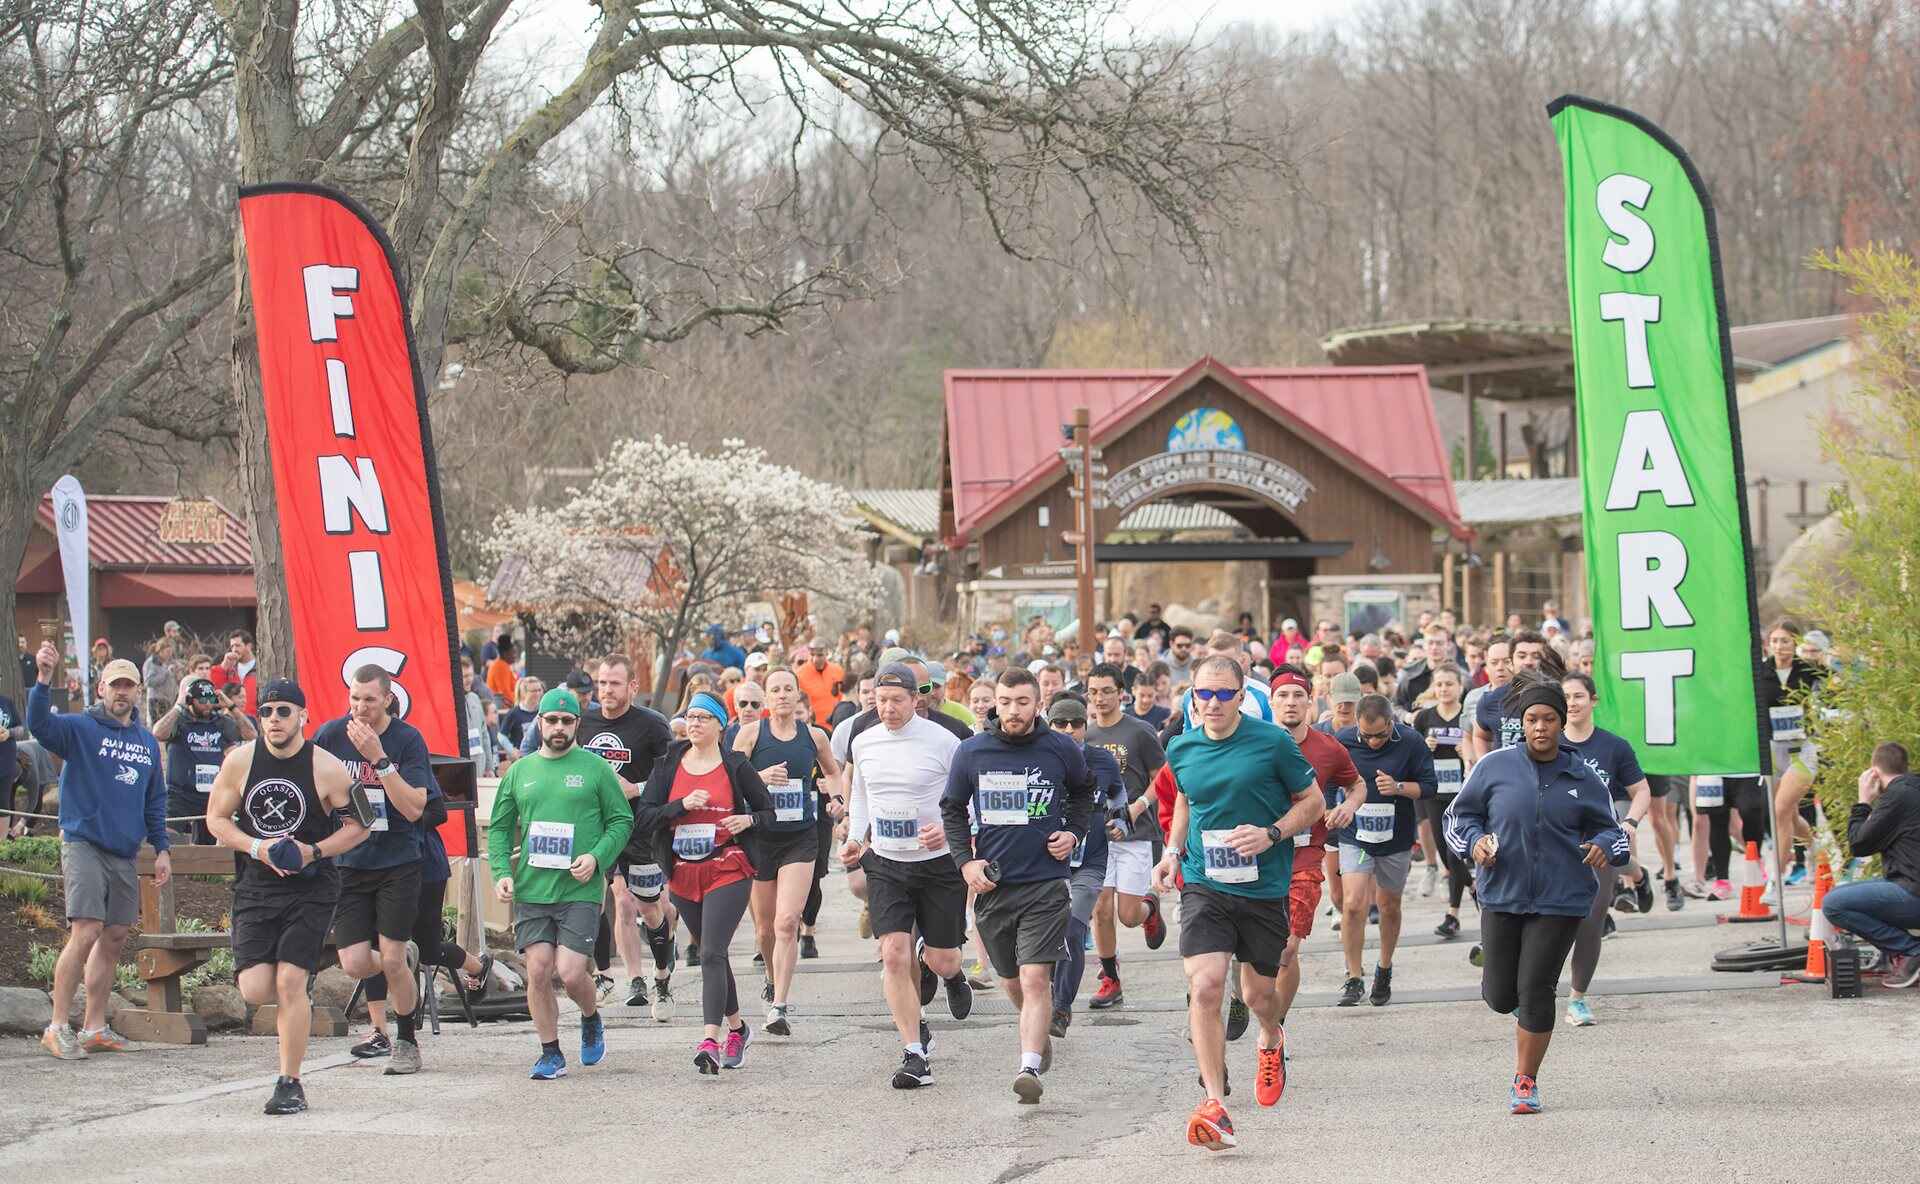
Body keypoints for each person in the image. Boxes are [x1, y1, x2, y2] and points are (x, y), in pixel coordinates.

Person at [1152, 655, 1322, 1150]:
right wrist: (1171, 852)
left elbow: (1311, 803)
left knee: (1257, 998)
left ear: (1242, 696)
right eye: (1204, 693)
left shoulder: (1272, 743)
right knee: (1205, 985)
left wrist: (1272, 834)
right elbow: (1185, 799)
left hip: (1264, 886)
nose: (1213, 702)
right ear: (1193, 695)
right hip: (1205, 883)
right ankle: (1213, 1101)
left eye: (1224, 693)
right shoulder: (1182, 747)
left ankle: (1271, 1037)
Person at [1443, 672, 1628, 1114]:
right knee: (1501, 996)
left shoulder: (1582, 776)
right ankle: (1504, 979)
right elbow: (1458, 817)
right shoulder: (1494, 767)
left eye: (1549, 719)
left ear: (1561, 724)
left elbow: (1614, 833)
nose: (1540, 727)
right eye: (1532, 719)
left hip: (1561, 899)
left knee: (1536, 988)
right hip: (1502, 894)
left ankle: (1525, 1081)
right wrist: (1475, 843)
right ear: (1522, 724)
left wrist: (1603, 845)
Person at [205, 678, 367, 1113]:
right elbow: (216, 819)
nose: (274, 719)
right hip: (256, 886)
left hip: (311, 888)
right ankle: (289, 1017)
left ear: (302, 716)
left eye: (283, 711)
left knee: (291, 982)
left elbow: (361, 824)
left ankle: (289, 1082)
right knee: (257, 989)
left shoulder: (328, 767)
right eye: (267, 711)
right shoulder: (240, 761)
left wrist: (312, 851)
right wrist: (257, 847)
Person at [943, 665, 1094, 1104]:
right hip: (994, 885)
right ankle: (1036, 1031)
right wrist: (965, 863)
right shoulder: (972, 752)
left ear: (1037, 704)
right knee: (1012, 981)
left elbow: (1085, 792)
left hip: (1046, 883)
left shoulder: (1060, 748)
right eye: (1005, 702)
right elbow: (952, 808)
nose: (1013, 711)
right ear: (995, 703)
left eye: (1022, 702)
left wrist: (1073, 832)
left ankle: (1028, 1066)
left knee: (1034, 978)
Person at [27, 645, 171, 1060]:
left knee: (114, 936)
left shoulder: (146, 742)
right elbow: (39, 724)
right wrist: (43, 678)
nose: (122, 692)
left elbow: (155, 801)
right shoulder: (80, 729)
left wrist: (162, 848)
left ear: (139, 692)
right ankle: (56, 1026)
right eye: (115, 685)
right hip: (83, 842)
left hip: (124, 852)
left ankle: (94, 1027)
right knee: (87, 929)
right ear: (102, 688)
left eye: (129, 685)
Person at [488, 686, 633, 1080]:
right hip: (533, 888)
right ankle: (550, 1052)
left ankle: (590, 1015)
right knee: (537, 969)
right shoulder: (520, 771)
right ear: (540, 721)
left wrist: (597, 858)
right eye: (551, 720)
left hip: (579, 888)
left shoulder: (596, 768)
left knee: (570, 973)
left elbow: (622, 820)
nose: (558, 727)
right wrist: (501, 873)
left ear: (577, 725)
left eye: (566, 721)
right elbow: (500, 830)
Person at [842, 663, 973, 1090]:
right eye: (881, 700)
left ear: (916, 699)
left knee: (943, 957)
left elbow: (967, 798)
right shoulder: (863, 742)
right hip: (886, 862)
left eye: (898, 700)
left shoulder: (944, 741)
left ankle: (951, 974)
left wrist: (952, 829)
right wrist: (857, 840)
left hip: (937, 864)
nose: (889, 708)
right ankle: (914, 1052)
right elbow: (862, 796)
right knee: (893, 954)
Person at [632, 690, 772, 1074]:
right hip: (682, 870)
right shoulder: (667, 765)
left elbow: (768, 812)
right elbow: (644, 817)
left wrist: (748, 821)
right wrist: (681, 807)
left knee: (711, 952)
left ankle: (709, 1040)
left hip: (727, 865)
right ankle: (738, 1029)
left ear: (720, 726)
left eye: (703, 718)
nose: (693, 724)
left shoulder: (736, 766)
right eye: (690, 717)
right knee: (715, 953)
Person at [313, 665, 440, 1072]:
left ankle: (405, 1041)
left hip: (398, 862)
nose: (360, 708)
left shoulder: (407, 740)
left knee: (389, 958)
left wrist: (378, 759)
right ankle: (404, 958)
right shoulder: (331, 736)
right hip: (349, 864)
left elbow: (414, 807)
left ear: (387, 699)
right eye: (354, 698)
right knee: (353, 962)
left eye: (369, 699)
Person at [734, 668, 841, 1035]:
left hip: (800, 836)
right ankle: (769, 973)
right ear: (766, 698)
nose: (781, 695)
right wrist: (760, 778)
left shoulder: (814, 736)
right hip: (761, 837)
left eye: (788, 689)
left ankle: (779, 1005)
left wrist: (837, 800)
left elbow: (833, 773)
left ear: (798, 696)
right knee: (764, 928)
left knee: (786, 922)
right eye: (775, 690)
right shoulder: (750, 734)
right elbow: (729, 779)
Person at [576, 655, 677, 1013]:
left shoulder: (652, 725)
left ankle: (662, 977)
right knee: (594, 900)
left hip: (639, 828)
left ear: (633, 686)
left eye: (614, 683)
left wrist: (636, 788)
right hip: (594, 827)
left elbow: (673, 777)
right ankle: (606, 975)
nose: (606, 690)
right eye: (602, 683)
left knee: (650, 909)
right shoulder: (583, 721)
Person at [1558, 672, 1658, 1025]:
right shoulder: (1548, 743)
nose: (1571, 702)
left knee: (1591, 918)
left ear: (1593, 700)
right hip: (1559, 843)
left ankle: (1577, 999)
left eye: (1578, 696)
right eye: (1566, 696)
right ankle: (1636, 873)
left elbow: (1641, 791)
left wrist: (1630, 822)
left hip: (1602, 840)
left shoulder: (1613, 746)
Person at [1333, 694, 1437, 1006]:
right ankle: (1353, 976)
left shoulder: (1410, 741)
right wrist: (1332, 806)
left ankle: (1384, 967)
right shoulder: (1344, 741)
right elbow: (1326, 779)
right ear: (1356, 726)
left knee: (1389, 905)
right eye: (1367, 736)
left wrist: (1400, 787)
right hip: (1355, 835)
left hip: (1395, 838)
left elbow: (1430, 786)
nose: (1374, 742)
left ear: (1391, 723)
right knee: (1352, 904)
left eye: (1380, 735)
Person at [1080, 663, 1168, 1011]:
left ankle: (1149, 909)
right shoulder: (1085, 736)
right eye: (1093, 692)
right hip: (1099, 837)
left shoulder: (1140, 731)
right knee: (1100, 908)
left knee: (1127, 915)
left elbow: (1163, 779)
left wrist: (1137, 806)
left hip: (1136, 834)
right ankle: (1110, 978)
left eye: (1106, 691)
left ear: (1121, 693)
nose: (1100, 698)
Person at [1044, 695, 1125, 1036]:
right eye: (1060, 723)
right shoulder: (1036, 761)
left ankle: (1061, 1009)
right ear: (1048, 725)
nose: (1069, 730)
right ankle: (1045, 992)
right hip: (1044, 865)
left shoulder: (1102, 761)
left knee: (1073, 928)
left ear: (1085, 725)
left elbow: (1119, 797)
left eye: (1076, 723)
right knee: (1044, 939)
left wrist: (1121, 823)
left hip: (1089, 861)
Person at [1821, 743, 1920, 987]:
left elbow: (1859, 844)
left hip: (1914, 893)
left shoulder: (1899, 796)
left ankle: (1911, 951)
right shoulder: (1912, 790)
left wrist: (1863, 801)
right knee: (1867, 889)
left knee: (1834, 903)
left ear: (1874, 773)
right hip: (1910, 886)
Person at [152, 675, 251, 845]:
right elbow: (158, 733)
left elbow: (251, 734)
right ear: (190, 699)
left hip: (212, 794)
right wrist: (178, 705)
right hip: (180, 795)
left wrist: (231, 706)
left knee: (213, 848)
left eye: (210, 699)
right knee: (167, 839)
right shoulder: (179, 721)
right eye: (201, 699)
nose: (207, 704)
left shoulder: (220, 721)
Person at [1412, 664, 1473, 936]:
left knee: (1454, 851)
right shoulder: (1425, 718)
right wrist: (1425, 748)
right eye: (1440, 685)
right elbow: (1413, 756)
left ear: (1460, 686)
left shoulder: (1468, 717)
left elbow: (1483, 750)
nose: (1444, 689)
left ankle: (1452, 914)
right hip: (1436, 794)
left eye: (1449, 684)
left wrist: (1466, 752)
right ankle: (1473, 888)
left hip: (1464, 794)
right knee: (1445, 855)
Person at [1468, 635, 1517, 760]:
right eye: (1494, 662)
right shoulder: (1475, 698)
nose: (1500, 667)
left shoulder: (1533, 694)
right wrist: (1482, 765)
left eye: (1507, 661)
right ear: (1486, 666)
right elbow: (1471, 735)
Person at [209, 629, 260, 716]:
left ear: (249, 646)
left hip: (255, 722)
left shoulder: (260, 669)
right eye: (232, 646)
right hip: (231, 721)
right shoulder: (230, 670)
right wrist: (223, 667)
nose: (234, 650)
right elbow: (215, 691)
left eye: (237, 645)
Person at [794, 643, 845, 728]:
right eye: (812, 655)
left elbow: (842, 697)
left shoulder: (838, 670)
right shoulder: (799, 674)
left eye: (820, 655)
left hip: (836, 725)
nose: (815, 659)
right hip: (813, 726)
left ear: (827, 653)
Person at [486, 636, 519, 705]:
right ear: (505, 654)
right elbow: (506, 694)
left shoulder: (503, 665)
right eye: (513, 653)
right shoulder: (501, 667)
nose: (515, 656)